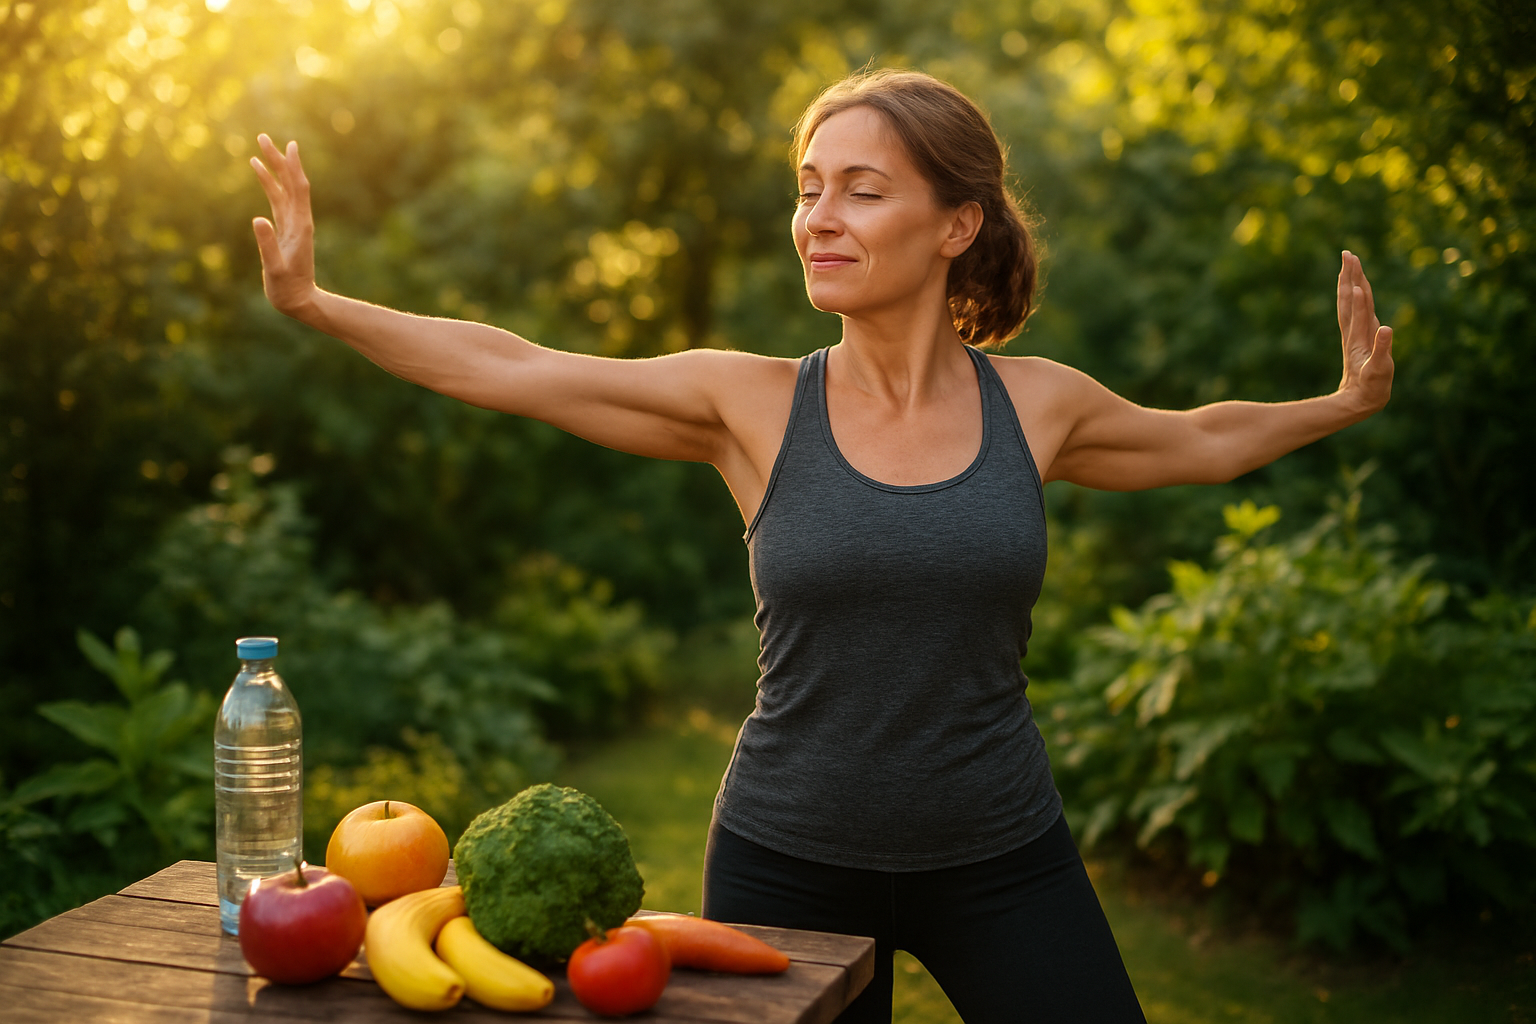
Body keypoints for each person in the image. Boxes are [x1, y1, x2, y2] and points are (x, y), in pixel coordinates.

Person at [250, 68, 1392, 1023]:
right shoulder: (748, 405)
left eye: (861, 189)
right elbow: (515, 365)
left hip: (1001, 852)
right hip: (787, 859)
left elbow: (1196, 439)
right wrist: (319, 303)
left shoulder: (1039, 408)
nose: (818, 217)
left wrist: (1337, 404)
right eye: (808, 190)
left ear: (957, 224)